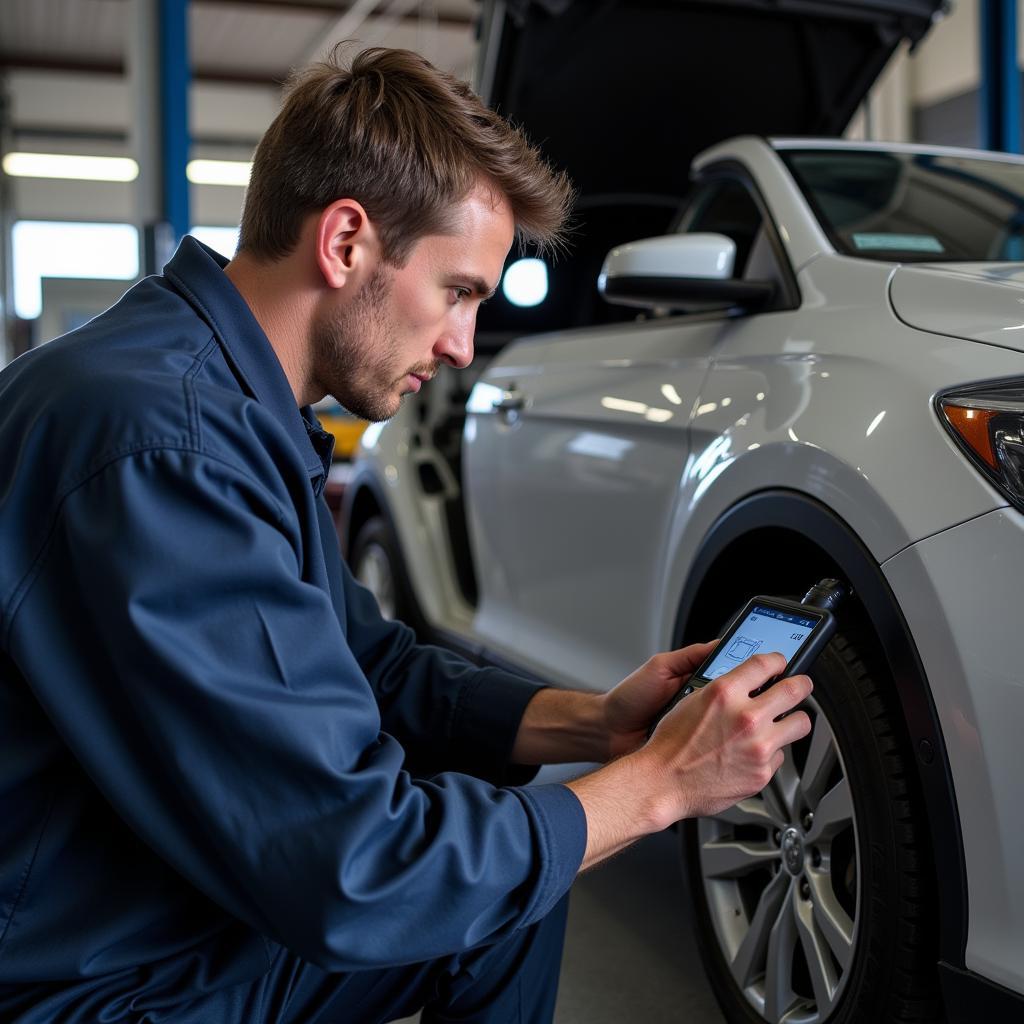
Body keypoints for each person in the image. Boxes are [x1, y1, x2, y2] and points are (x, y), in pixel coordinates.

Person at [0, 46, 812, 1024]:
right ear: (345, 242)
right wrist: (656, 784)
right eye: (459, 292)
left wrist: (596, 721)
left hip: (143, 908)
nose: (464, 347)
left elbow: (367, 664)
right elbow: (356, 869)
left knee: (507, 905)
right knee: (486, 889)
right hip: (83, 978)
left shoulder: (216, 399)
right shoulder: (166, 446)